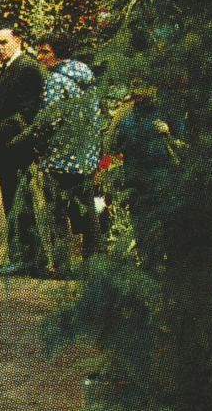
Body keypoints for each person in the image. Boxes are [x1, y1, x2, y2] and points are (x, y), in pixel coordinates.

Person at [23, 32, 105, 274]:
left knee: (57, 210)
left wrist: (37, 142)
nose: (40, 57)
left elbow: (50, 118)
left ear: (57, 53)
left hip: (62, 154)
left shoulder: (56, 80)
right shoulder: (85, 72)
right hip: (87, 151)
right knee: (87, 206)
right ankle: (94, 260)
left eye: (45, 52)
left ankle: (62, 264)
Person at [0, 23, 46, 277]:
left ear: (17, 40)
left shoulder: (27, 67)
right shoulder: (14, 67)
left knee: (20, 202)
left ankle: (24, 258)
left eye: (3, 42)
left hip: (18, 146)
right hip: (10, 148)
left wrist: (2, 126)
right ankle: (25, 257)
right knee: (15, 201)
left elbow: (30, 109)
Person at [109, 85, 182, 271]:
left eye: (145, 90)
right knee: (141, 221)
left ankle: (165, 260)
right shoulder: (125, 117)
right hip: (137, 178)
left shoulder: (168, 113)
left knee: (162, 220)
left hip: (162, 176)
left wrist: (168, 133)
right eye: (138, 92)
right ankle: (147, 261)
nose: (142, 95)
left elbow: (183, 144)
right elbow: (113, 146)